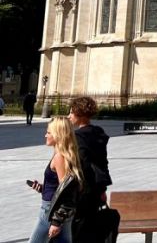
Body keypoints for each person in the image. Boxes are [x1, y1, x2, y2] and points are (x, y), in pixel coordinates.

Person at [27, 116, 83, 243]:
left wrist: (56, 221)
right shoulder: (66, 155)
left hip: (51, 212)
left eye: (48, 132)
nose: (45, 135)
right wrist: (43, 188)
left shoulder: (60, 157)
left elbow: (67, 192)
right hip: (58, 211)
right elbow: (61, 187)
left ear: (58, 135)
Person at [68, 96, 113, 242]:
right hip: (98, 187)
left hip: (84, 190)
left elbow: (83, 164)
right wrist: (102, 190)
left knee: (79, 231)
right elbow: (103, 162)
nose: (69, 116)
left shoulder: (79, 136)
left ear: (79, 114)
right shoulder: (98, 132)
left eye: (71, 113)